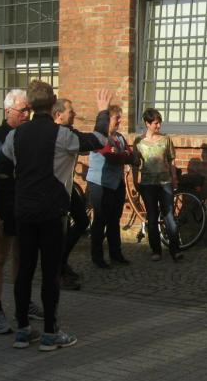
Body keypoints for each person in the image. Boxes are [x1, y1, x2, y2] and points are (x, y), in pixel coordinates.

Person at [0, 81, 110, 351]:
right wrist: (102, 112)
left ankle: (23, 331)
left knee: (24, 271)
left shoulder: (15, 136)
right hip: (51, 212)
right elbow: (99, 140)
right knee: (50, 273)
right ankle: (50, 333)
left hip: (24, 212)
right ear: (52, 102)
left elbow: (1, 168)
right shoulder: (62, 135)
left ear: (30, 104)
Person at [0, 89, 43, 333]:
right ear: (8, 111)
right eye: (23, 110)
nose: (27, 114)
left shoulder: (27, 135)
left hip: (24, 203)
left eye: (30, 110)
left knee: (22, 256)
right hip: (4, 203)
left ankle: (23, 303)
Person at [132, 108, 183, 262]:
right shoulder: (138, 142)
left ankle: (175, 250)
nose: (159, 126)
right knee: (152, 216)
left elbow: (171, 160)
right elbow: (135, 163)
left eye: (159, 122)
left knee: (169, 216)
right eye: (155, 123)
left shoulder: (166, 140)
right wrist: (135, 180)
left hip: (165, 182)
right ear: (147, 124)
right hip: (148, 184)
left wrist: (174, 178)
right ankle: (156, 250)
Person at [87, 104, 134, 269]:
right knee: (100, 219)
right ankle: (97, 256)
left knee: (114, 219)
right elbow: (111, 157)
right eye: (117, 118)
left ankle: (116, 253)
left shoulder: (119, 138)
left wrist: (124, 155)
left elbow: (131, 156)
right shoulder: (99, 138)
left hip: (116, 183)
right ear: (107, 120)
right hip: (100, 183)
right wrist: (124, 156)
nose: (120, 121)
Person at [52, 98, 90, 291]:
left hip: (68, 186)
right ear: (59, 115)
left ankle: (62, 262)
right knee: (58, 232)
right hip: (55, 188)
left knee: (82, 221)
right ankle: (57, 273)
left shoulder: (69, 133)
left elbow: (84, 147)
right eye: (70, 111)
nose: (74, 113)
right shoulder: (58, 134)